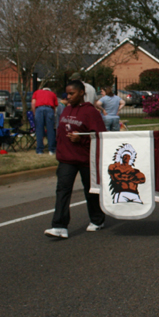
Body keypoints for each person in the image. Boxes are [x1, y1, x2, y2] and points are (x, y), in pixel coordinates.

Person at [45, 80, 107, 239]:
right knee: (62, 190)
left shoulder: (91, 112)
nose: (68, 96)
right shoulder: (66, 110)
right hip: (66, 158)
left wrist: (82, 139)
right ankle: (59, 226)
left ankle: (97, 220)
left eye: (72, 93)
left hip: (86, 158)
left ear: (81, 93)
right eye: (67, 93)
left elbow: (100, 135)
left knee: (90, 190)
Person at [32, 86, 58, 155]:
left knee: (39, 129)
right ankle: (51, 150)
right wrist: (53, 114)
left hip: (39, 109)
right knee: (50, 130)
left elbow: (33, 103)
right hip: (49, 109)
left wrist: (34, 113)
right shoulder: (52, 94)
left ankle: (40, 150)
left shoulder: (37, 92)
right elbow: (55, 106)